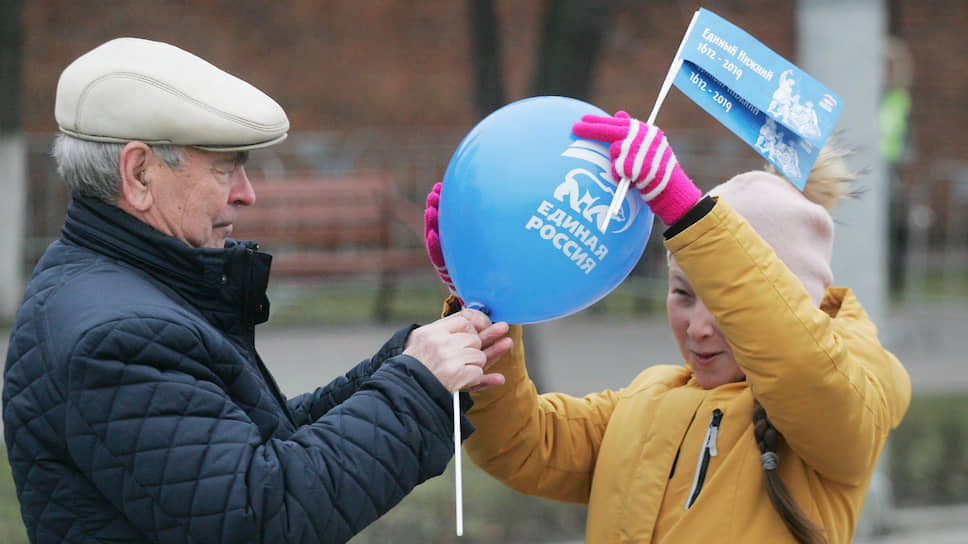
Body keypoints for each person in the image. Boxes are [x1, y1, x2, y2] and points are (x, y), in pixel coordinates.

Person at [2, 37, 512, 544]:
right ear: (139, 174)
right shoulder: (119, 337)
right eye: (227, 168)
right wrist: (416, 386)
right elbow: (264, 512)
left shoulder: (107, 284)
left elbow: (255, 442)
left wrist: (403, 366)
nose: (247, 193)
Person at [424, 111, 911, 543]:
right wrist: (484, 306)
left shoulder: (848, 403)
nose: (698, 328)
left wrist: (686, 211)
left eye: (725, 304)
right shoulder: (648, 399)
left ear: (784, 304)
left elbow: (808, 371)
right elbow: (526, 446)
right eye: (682, 293)